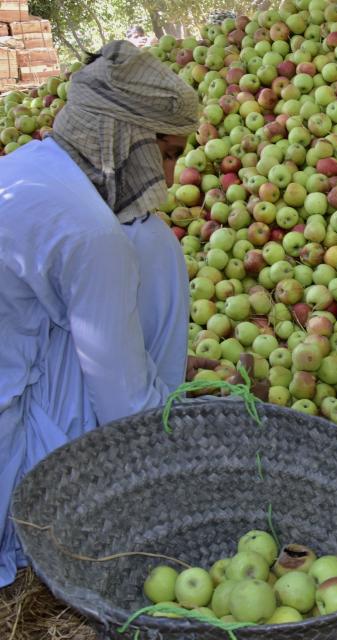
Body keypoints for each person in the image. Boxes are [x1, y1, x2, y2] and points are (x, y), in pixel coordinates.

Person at [0, 40, 208, 587]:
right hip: (9, 462)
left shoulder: (26, 166)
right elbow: (125, 411)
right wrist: (193, 434)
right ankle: (148, 479)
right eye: (166, 154)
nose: (166, 178)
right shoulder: (95, 237)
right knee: (154, 246)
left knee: (144, 239)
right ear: (125, 141)